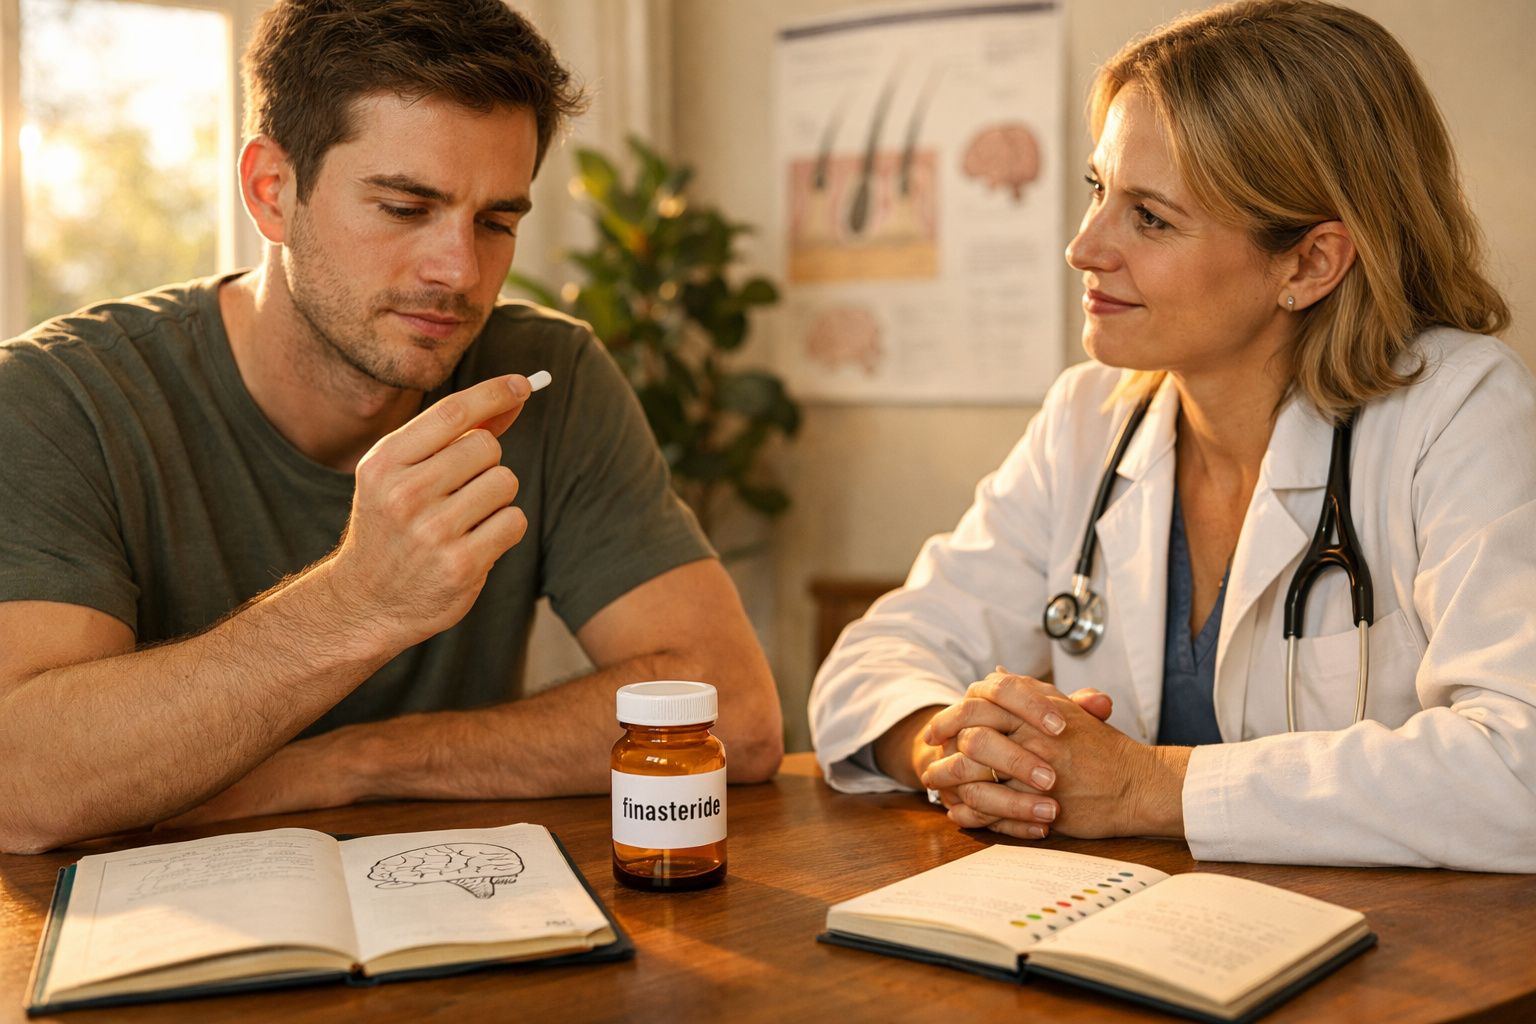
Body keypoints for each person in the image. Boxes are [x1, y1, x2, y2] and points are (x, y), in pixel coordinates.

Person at [0, 0, 783, 855]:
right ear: (271, 191)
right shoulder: (58, 399)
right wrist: (358, 601)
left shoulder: (549, 378)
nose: (460, 271)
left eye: (496, 222)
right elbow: (20, 787)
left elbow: (733, 715)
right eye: (406, 207)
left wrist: (349, 763)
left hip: (462, 923)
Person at [809, 0, 1536, 872]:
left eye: (1149, 217)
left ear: (1309, 263)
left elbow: (1518, 767)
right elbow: (876, 658)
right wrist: (952, 746)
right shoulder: (1089, 422)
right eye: (1098, 192)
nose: (1083, 248)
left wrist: (1144, 786)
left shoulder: (1457, 411)